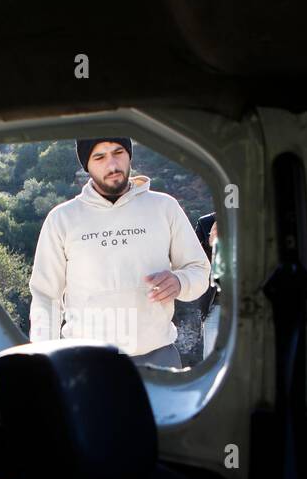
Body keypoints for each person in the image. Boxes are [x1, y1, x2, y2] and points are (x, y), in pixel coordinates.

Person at [28, 137, 210, 368]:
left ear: (129, 155)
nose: (112, 165)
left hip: (159, 358)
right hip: (86, 365)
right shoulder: (62, 219)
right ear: (87, 164)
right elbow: (46, 296)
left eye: (118, 152)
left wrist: (180, 282)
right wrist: (43, 359)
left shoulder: (165, 207)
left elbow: (199, 271)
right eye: (100, 157)